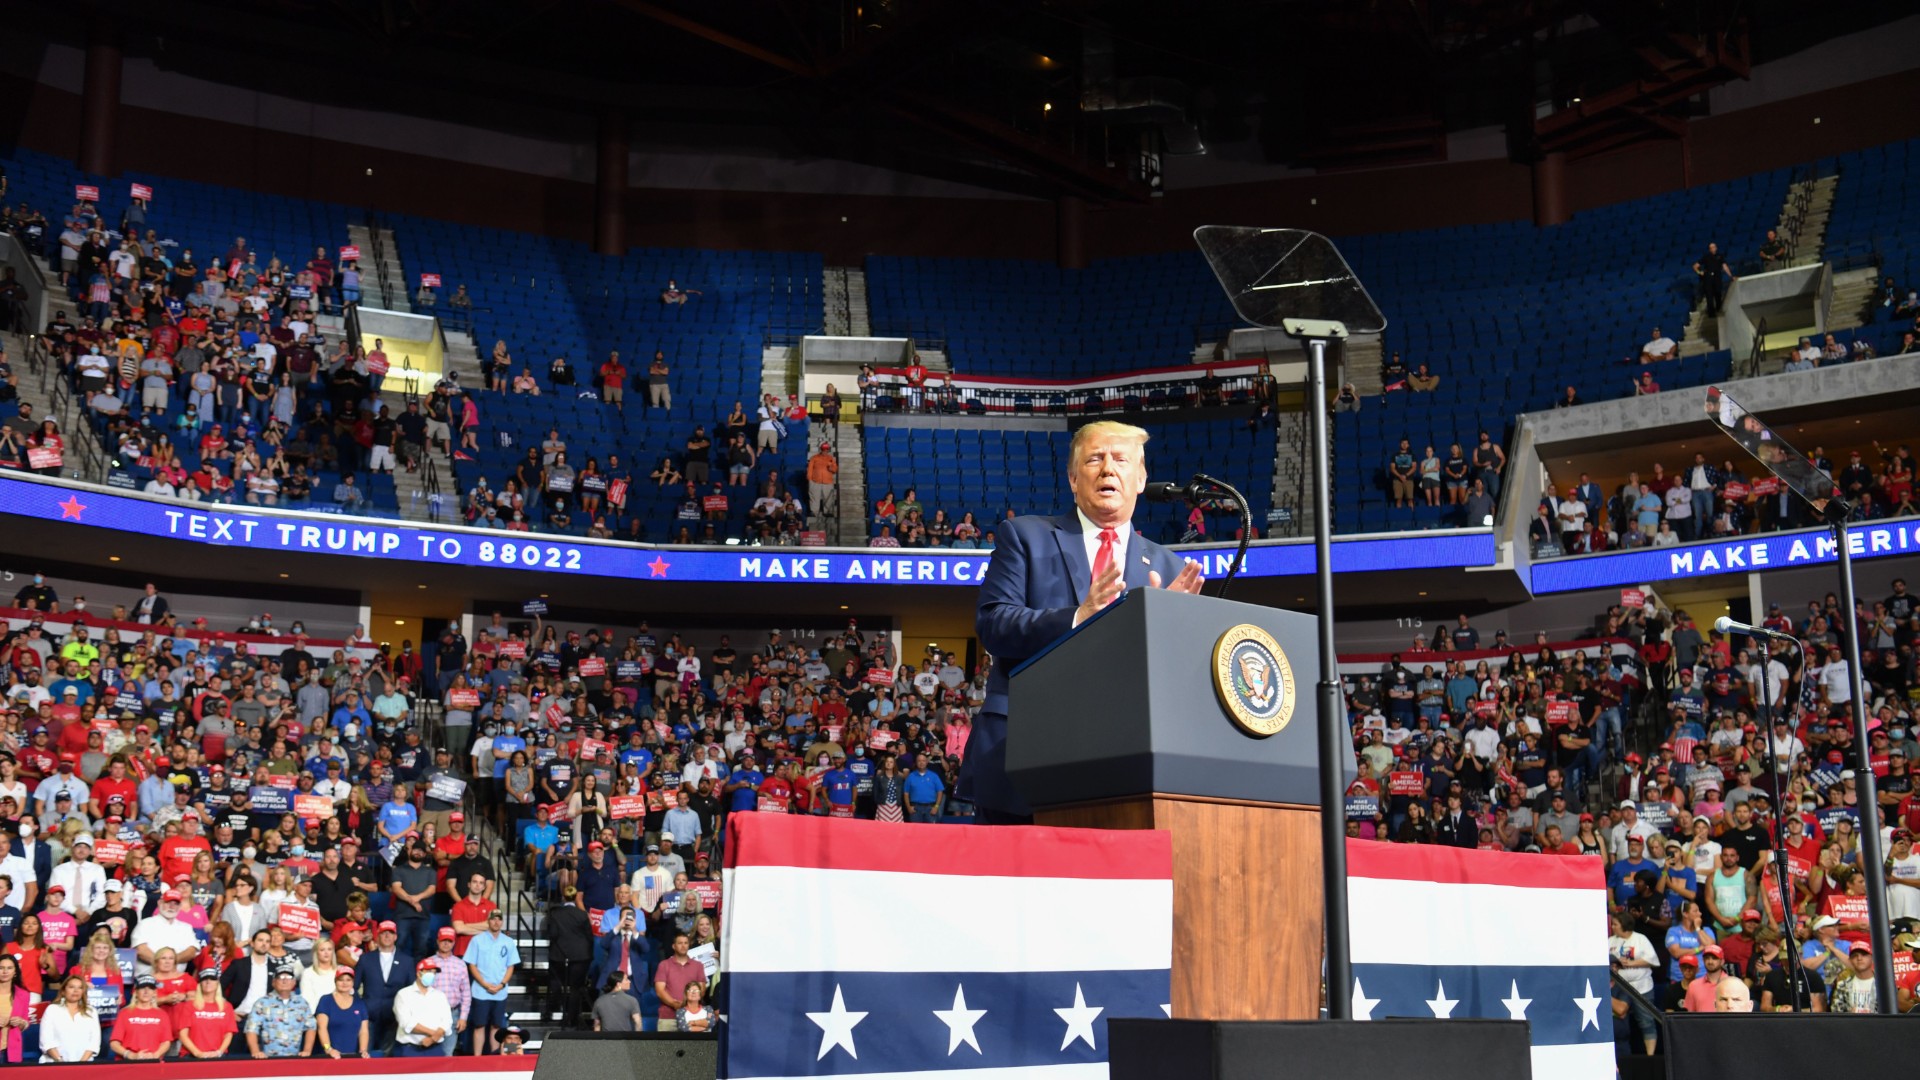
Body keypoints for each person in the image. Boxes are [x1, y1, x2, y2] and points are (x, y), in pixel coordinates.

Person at [965, 422, 1204, 823]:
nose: (1108, 468)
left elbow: (1175, 680)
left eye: (1121, 460)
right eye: (1095, 459)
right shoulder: (1024, 536)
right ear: (1074, 479)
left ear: (1141, 478)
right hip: (1025, 755)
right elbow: (994, 622)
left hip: (1127, 764)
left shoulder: (1170, 567)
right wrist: (1078, 617)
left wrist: (1171, 631)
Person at [463, 908, 518, 1054]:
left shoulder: (508, 942)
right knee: (479, 1025)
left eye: (499, 919)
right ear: (488, 921)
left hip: (500, 992)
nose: (496, 922)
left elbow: (510, 966)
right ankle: (477, 1059)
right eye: (493, 919)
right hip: (481, 991)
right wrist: (484, 984)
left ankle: (494, 1058)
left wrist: (501, 985)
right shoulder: (477, 940)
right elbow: (472, 965)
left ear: (502, 921)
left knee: (496, 1026)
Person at [245, 967, 316, 1058]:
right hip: (267, 1059)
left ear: (294, 982)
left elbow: (311, 1027)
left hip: (295, 1059)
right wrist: (255, 1052)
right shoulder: (262, 1003)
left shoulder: (302, 1003)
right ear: (273, 982)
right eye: (281, 977)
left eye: (289, 977)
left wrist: (307, 1050)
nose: (285, 980)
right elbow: (251, 1029)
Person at [392, 958, 455, 1056]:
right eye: (429, 971)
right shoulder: (403, 994)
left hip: (436, 1048)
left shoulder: (440, 995)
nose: (432, 975)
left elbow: (447, 1021)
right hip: (410, 1049)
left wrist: (432, 1039)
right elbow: (406, 1023)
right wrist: (434, 1034)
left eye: (434, 973)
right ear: (418, 973)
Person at [179, 966, 239, 1059]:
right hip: (191, 1056)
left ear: (217, 983)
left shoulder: (226, 1007)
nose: (208, 982)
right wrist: (198, 1053)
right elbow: (183, 1034)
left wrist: (219, 1052)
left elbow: (228, 1034)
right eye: (204, 979)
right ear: (200, 984)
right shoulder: (189, 1005)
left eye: (212, 979)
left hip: (218, 1055)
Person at [40, 973, 101, 1062]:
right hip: (55, 1063)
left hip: (84, 1065)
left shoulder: (91, 1011)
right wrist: (60, 1063)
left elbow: (94, 1042)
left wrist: (81, 1064)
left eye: (80, 988)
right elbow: (46, 1041)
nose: (76, 990)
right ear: (63, 991)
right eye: (71, 987)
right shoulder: (52, 1010)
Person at [315, 967, 371, 1058]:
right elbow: (322, 1028)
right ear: (335, 981)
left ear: (353, 982)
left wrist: (363, 1050)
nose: (344, 983)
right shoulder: (326, 1000)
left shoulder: (359, 1003)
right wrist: (328, 1049)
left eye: (348, 980)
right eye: (341, 980)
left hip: (352, 1056)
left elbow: (364, 1030)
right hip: (329, 1057)